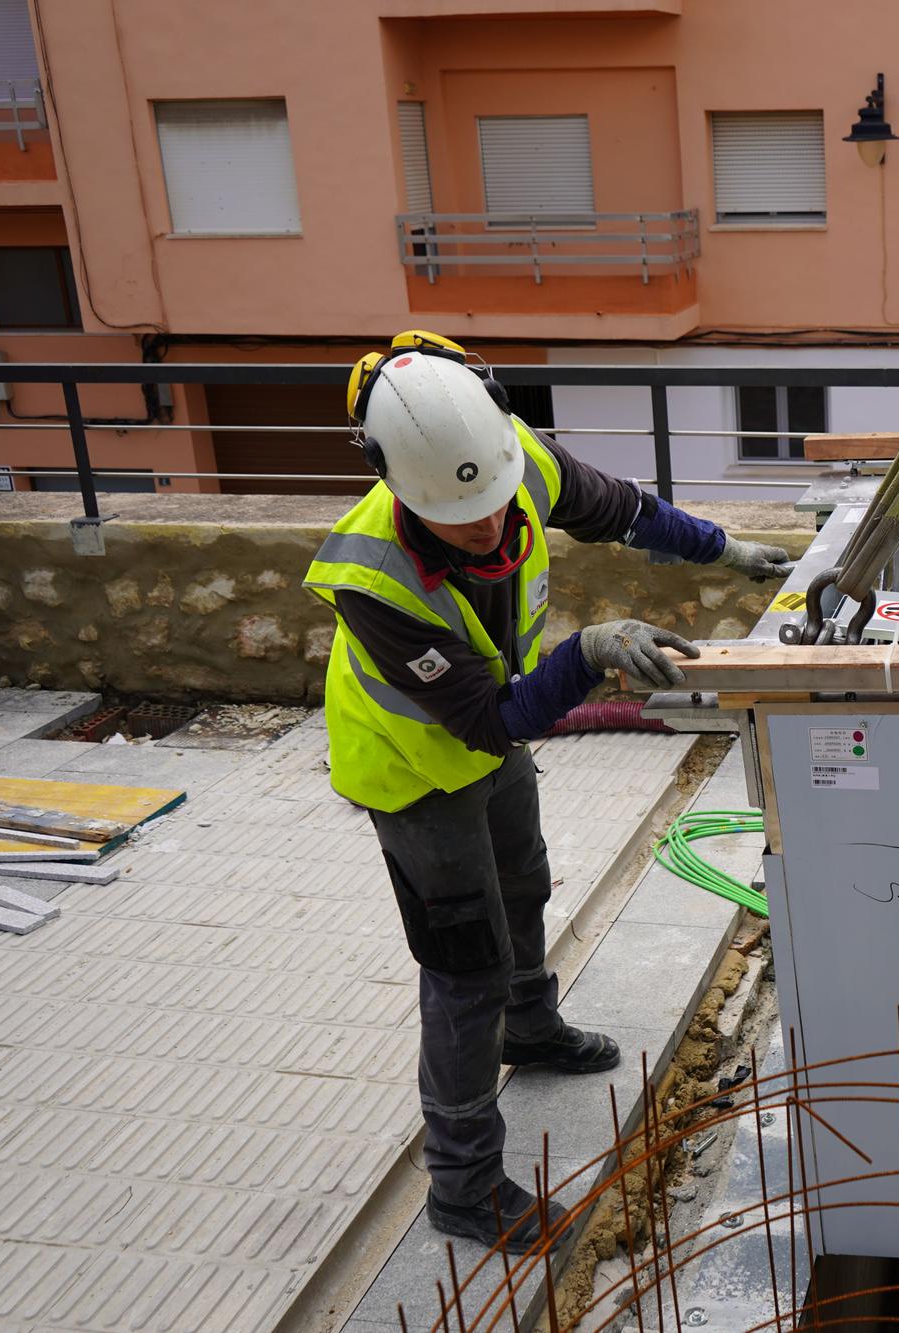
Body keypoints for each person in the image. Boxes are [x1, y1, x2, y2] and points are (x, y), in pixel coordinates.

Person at [303, 330, 793, 1251]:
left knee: (525, 880)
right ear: (401, 489)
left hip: (489, 742)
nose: (488, 525)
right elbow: (491, 719)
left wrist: (729, 552)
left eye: (493, 501)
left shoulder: (508, 454)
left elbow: (623, 511)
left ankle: (529, 1028)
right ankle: (462, 1183)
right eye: (461, 517)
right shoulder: (368, 578)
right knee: (463, 968)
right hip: (410, 770)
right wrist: (587, 651)